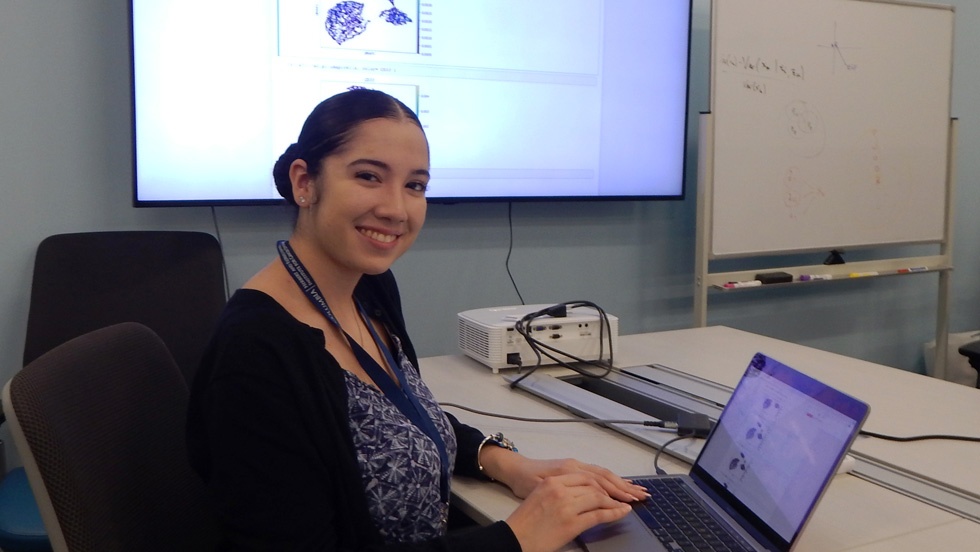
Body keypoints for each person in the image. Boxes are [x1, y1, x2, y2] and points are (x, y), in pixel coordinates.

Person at [186, 88, 648, 552]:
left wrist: (507, 463)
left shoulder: (368, 287)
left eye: (415, 186)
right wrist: (515, 538)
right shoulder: (255, 353)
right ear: (305, 182)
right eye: (369, 176)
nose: (396, 209)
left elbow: (398, 421)